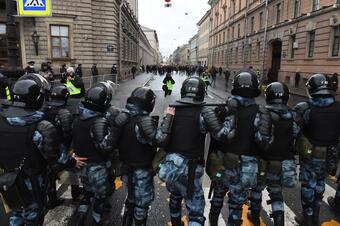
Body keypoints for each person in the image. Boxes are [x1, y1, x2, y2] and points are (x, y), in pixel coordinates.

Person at [0, 79, 85, 226]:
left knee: (17, 212)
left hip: (7, 179)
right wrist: (72, 161)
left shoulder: (2, 122)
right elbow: (55, 157)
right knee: (33, 217)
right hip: (32, 181)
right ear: (38, 99)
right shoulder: (40, 127)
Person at [159, 77, 228, 226]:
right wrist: (227, 115)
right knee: (196, 212)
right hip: (191, 169)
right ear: (202, 92)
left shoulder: (172, 110)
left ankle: (176, 223)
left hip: (172, 166)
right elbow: (222, 135)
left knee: (175, 197)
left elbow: (161, 135)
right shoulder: (203, 113)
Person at [111, 87, 175, 226]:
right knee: (142, 205)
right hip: (142, 170)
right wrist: (168, 117)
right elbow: (160, 139)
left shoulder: (123, 117)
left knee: (131, 198)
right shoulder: (143, 120)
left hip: (127, 166)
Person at [248, 82, 299, 226]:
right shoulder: (292, 116)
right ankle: (279, 221)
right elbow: (295, 134)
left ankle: (255, 215)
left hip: (263, 160)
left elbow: (255, 135)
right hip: (282, 162)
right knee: (276, 192)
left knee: (257, 189)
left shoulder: (263, 113)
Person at [294, 74, 340, 226]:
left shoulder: (306, 108)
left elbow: (293, 132)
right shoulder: (338, 107)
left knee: (308, 186)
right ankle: (315, 216)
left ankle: (307, 218)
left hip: (311, 156)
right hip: (330, 156)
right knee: (321, 184)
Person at [218, 70, 261, 226]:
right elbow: (262, 140)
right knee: (237, 202)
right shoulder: (259, 112)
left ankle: (213, 216)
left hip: (226, 159)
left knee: (219, 190)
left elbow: (218, 135)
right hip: (248, 162)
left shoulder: (226, 108)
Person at [73, 85, 115, 225]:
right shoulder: (98, 121)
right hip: (97, 167)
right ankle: (97, 221)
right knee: (100, 196)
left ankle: (80, 218)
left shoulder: (78, 118)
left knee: (87, 193)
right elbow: (104, 147)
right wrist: (115, 131)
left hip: (82, 165)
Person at [42, 84, 83, 207]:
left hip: (45, 146)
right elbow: (68, 132)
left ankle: (52, 200)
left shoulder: (44, 109)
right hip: (61, 146)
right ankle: (75, 194)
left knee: (49, 175)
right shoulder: (64, 112)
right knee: (73, 167)